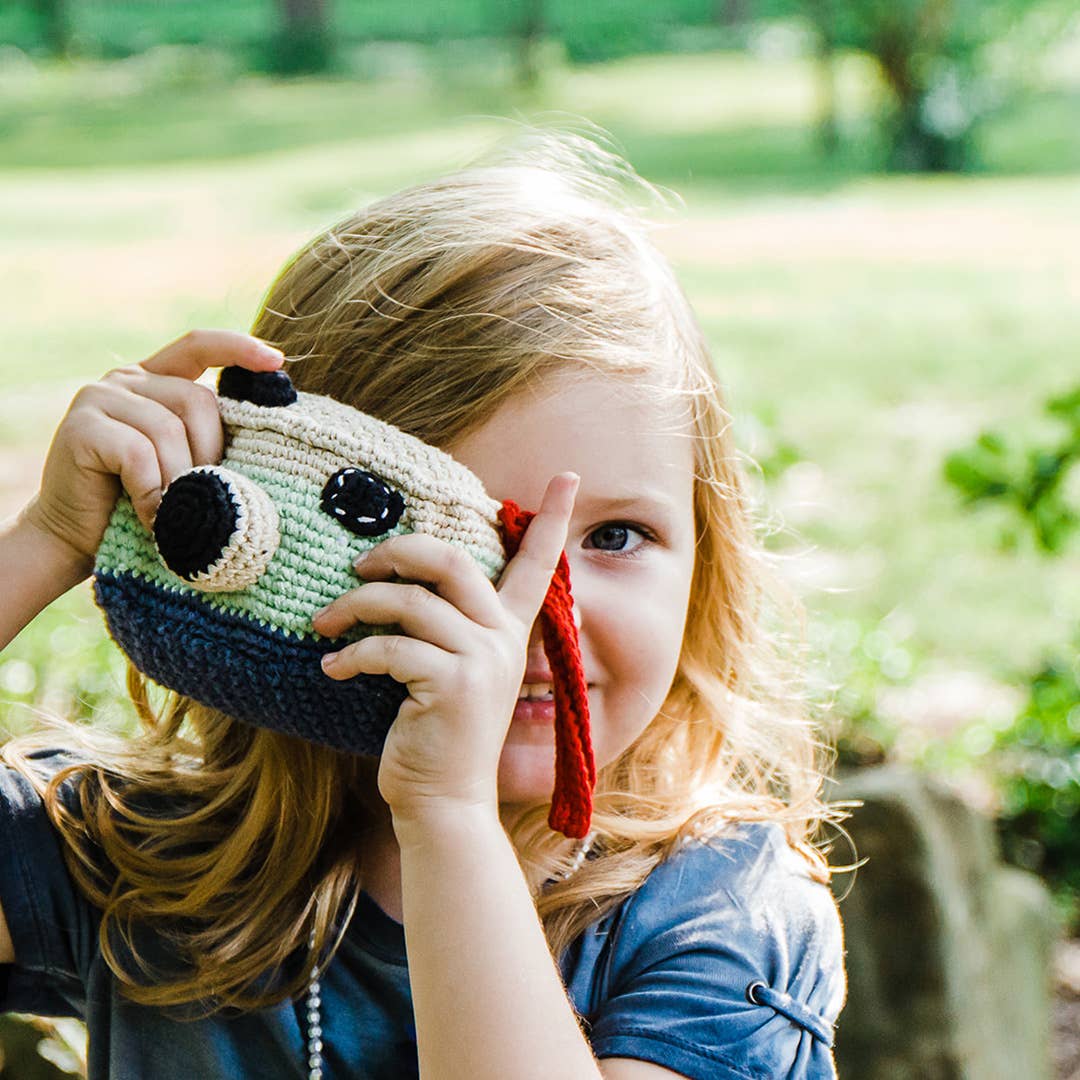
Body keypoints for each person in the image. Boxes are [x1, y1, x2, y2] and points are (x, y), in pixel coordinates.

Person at [0, 128, 851, 1079]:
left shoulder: (722, 911)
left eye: (612, 538)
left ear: (705, 560)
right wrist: (46, 542)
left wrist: (447, 818)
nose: (532, 616)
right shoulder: (148, 855)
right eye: (461, 551)